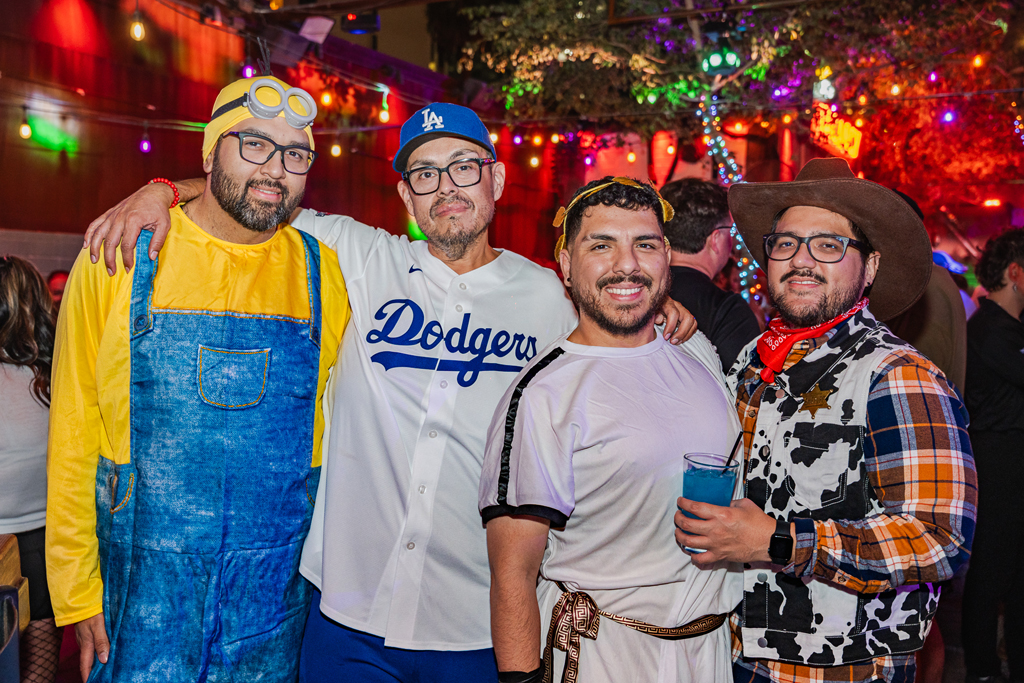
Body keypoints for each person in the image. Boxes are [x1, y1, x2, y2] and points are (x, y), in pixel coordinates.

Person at [82, 104, 695, 682]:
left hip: (477, 622)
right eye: (425, 174)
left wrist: (657, 311)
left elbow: (621, 347)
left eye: (464, 167)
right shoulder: (359, 255)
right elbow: (255, 191)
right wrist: (161, 190)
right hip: (346, 616)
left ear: (497, 180)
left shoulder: (550, 298)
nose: (446, 187)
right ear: (406, 195)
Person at [46, 75, 350, 683]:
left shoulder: (324, 273)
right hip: (140, 596)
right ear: (210, 153)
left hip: (273, 602)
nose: (275, 169)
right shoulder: (121, 255)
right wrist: (77, 595)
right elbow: (74, 429)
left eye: (296, 155)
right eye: (254, 144)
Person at [673, 157, 977, 683]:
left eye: (829, 245)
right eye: (786, 243)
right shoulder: (752, 361)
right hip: (730, 651)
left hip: (844, 667)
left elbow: (939, 539)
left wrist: (779, 541)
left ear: (870, 267)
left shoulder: (898, 375)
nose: (801, 260)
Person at [479, 177, 742, 683]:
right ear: (566, 264)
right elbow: (513, 573)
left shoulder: (696, 350)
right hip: (603, 653)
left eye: (645, 244)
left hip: (708, 652)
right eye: (601, 246)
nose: (627, 264)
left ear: (667, 257)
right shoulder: (544, 394)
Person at [961, 229, 1024, 683]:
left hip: (1010, 456)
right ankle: (982, 669)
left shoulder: (1009, 328)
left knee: (1015, 571)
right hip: (997, 459)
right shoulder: (991, 329)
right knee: (992, 569)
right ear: (1016, 273)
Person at [0, 256, 61, 683]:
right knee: (38, 663)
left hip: (36, 536)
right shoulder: (56, 379)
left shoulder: (57, 377)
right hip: (40, 539)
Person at [660, 178, 761, 371]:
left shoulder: (639, 293)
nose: (732, 240)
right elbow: (745, 386)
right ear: (716, 239)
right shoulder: (729, 311)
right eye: (730, 230)